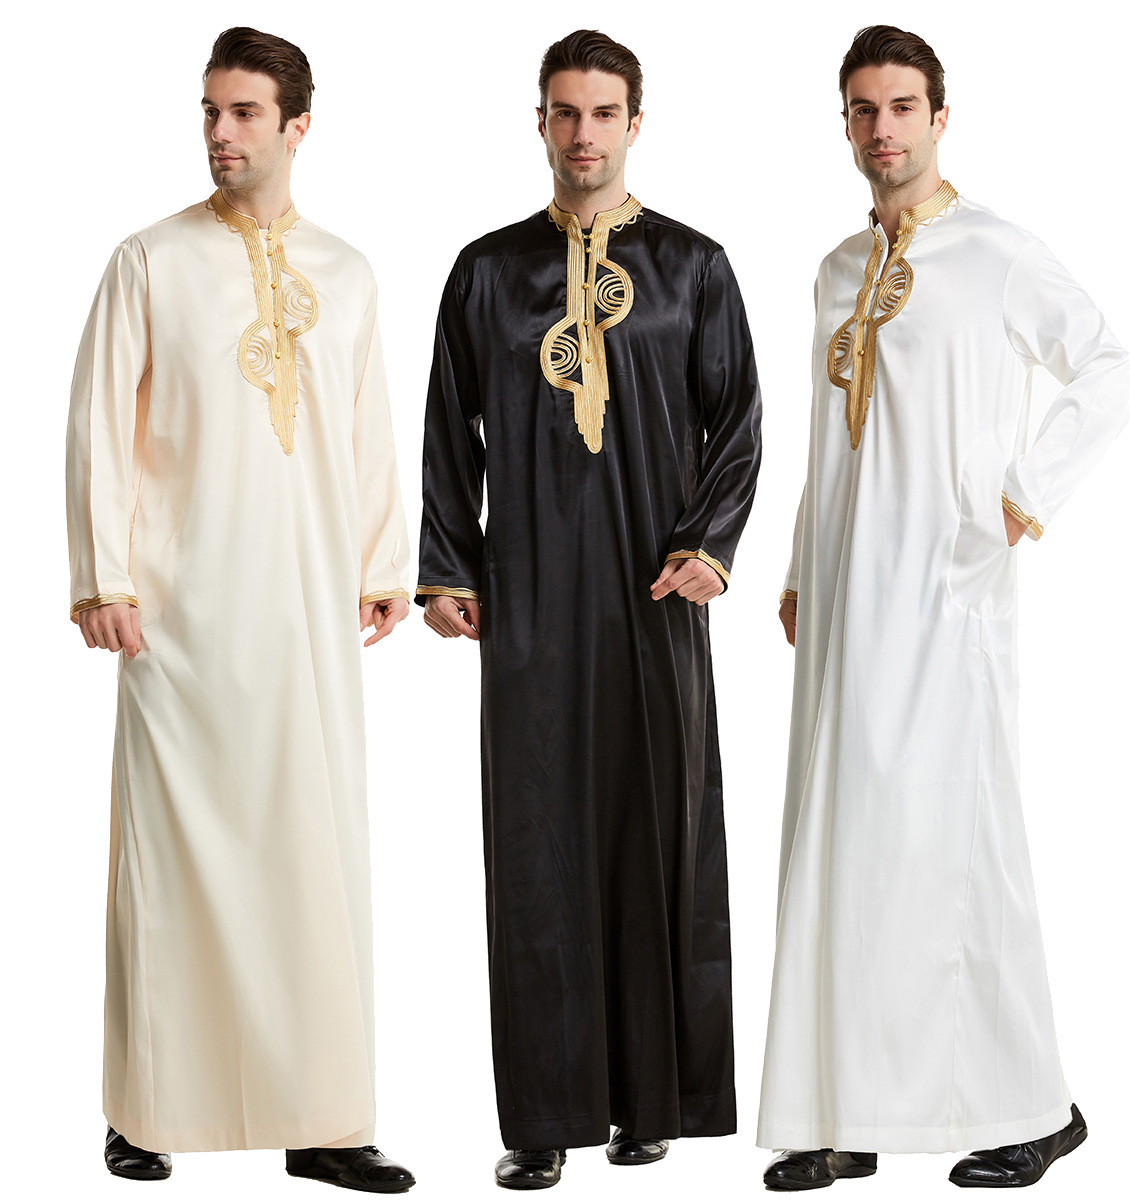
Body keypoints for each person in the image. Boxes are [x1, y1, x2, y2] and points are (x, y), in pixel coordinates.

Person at [757, 24, 1130, 1192]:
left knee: (962, 844)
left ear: (939, 118)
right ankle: (844, 1110)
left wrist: (1023, 497)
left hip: (948, 591)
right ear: (846, 124)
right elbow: (834, 431)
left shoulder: (996, 254)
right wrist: (802, 564)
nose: (883, 130)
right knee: (846, 844)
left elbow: (1109, 369)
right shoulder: (836, 268)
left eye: (902, 107)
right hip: (847, 597)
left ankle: (1035, 1106)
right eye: (863, 110)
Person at [67, 26, 414, 1193]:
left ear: (298, 125)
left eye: (245, 113)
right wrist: (105, 577)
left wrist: (381, 562)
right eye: (210, 111)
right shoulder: (150, 261)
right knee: (170, 870)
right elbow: (98, 423)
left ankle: (325, 1121)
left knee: (311, 858)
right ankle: (146, 1112)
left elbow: (367, 425)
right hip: (180, 619)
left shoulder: (349, 272)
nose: (220, 133)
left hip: (308, 615)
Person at [417, 28, 761, 1190]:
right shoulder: (487, 271)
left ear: (634, 123)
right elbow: (446, 428)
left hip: (654, 595)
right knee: (538, 847)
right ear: (541, 123)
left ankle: (648, 1102)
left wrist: (710, 546)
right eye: (564, 112)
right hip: (531, 598)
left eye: (603, 112)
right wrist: (451, 569)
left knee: (655, 833)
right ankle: (544, 1118)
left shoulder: (695, 266)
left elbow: (738, 418)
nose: (583, 133)